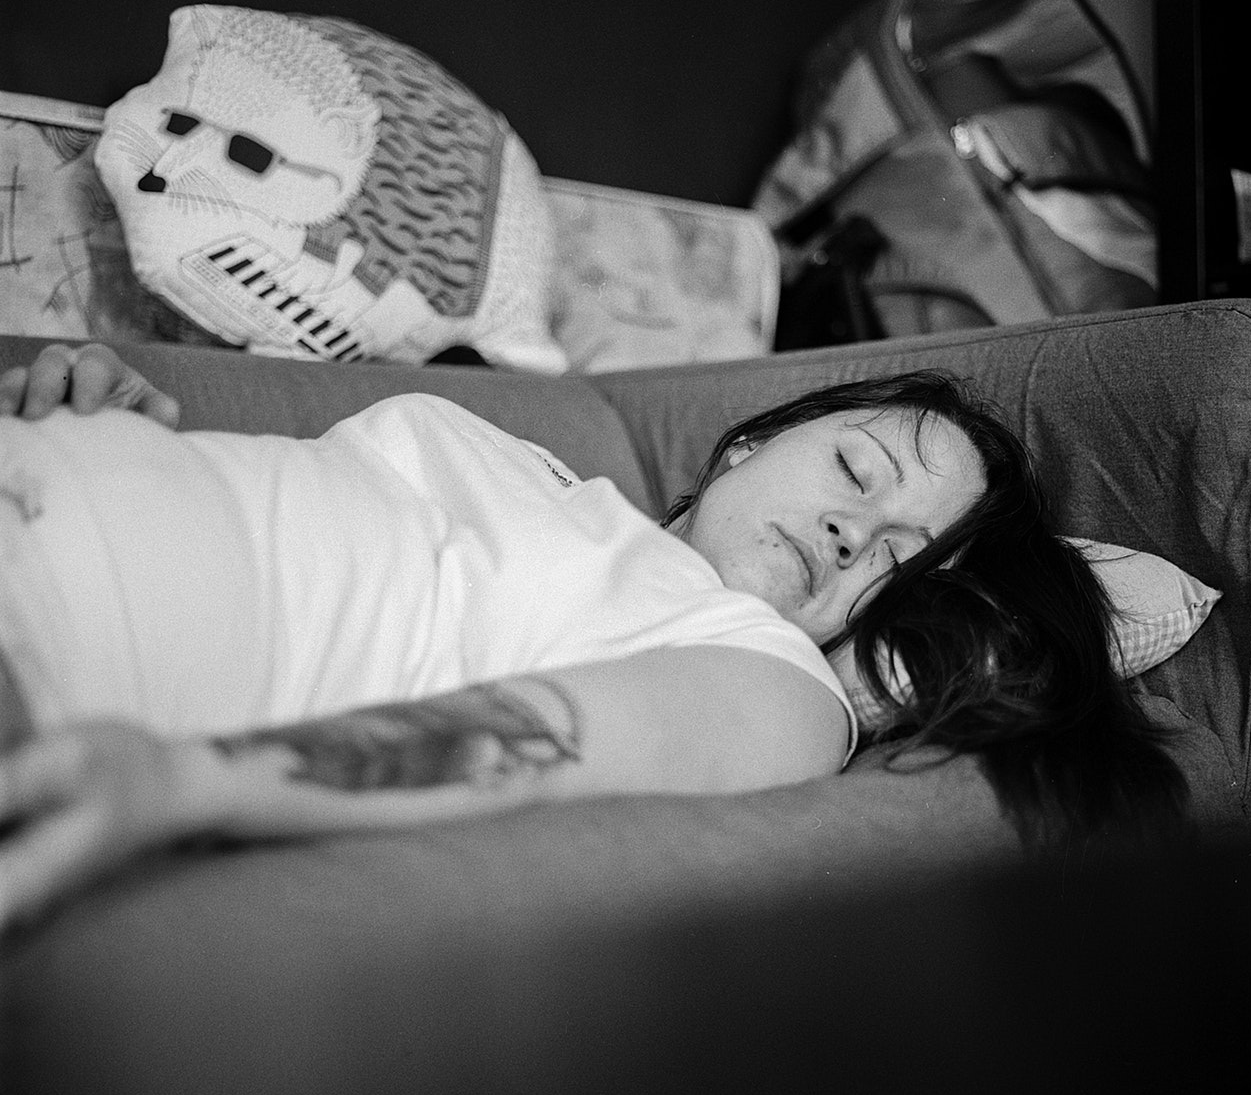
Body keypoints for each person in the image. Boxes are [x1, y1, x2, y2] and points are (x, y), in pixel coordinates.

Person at [0, 342, 1185, 933]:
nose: (851, 526)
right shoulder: (529, 466)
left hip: (53, 654)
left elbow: (530, 741)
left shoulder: (767, 678)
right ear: (742, 447)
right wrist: (112, 416)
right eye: (856, 470)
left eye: (896, 555)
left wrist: (175, 781)